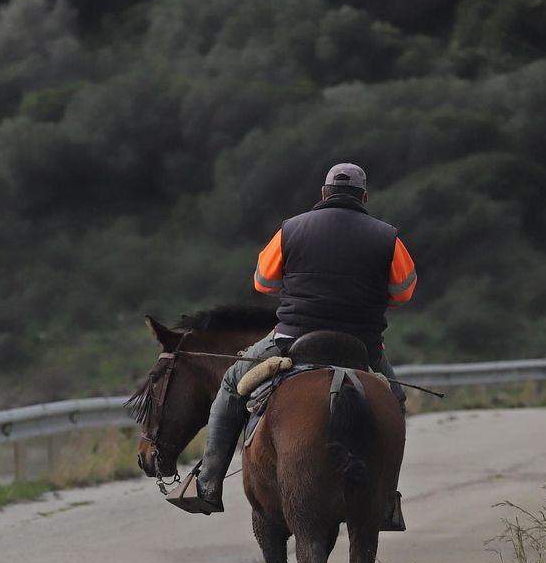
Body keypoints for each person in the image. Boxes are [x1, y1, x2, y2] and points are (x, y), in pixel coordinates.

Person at [169, 162, 415, 530]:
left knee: (230, 388)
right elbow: (403, 291)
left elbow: (263, 282)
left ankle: (208, 483)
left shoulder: (291, 229)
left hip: (291, 338)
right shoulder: (388, 237)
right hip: (362, 345)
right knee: (394, 402)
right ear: (364, 197)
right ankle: (385, 500)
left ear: (324, 193)